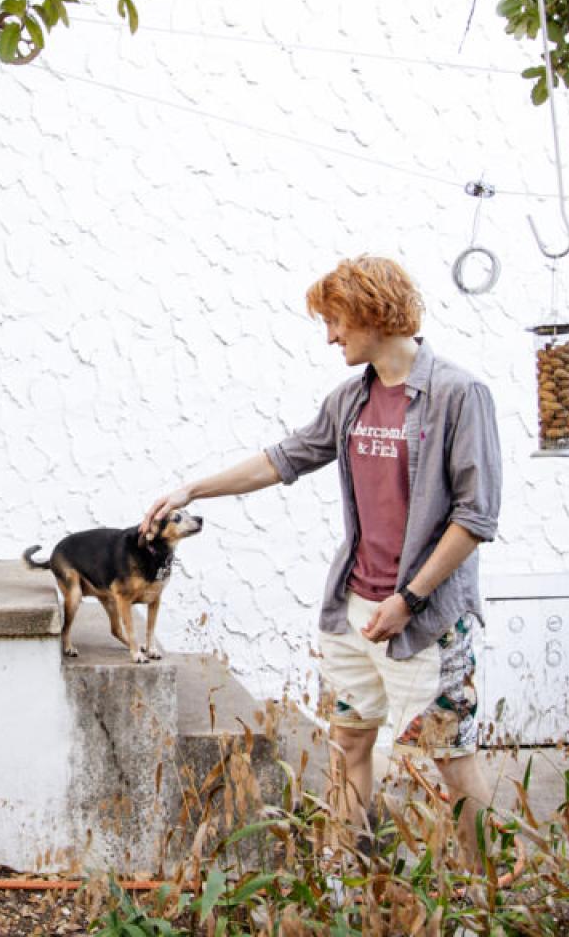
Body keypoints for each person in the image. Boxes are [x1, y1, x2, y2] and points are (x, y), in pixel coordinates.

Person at [141, 255, 501, 866]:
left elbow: (475, 517)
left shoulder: (459, 395)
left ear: (371, 313)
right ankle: (345, 877)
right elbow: (282, 459)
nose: (330, 336)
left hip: (428, 620)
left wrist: (407, 598)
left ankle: (484, 894)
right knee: (348, 744)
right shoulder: (349, 401)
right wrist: (191, 490)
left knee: (449, 755)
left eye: (336, 321)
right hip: (354, 611)